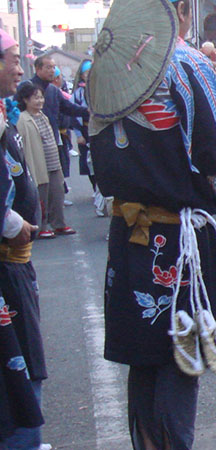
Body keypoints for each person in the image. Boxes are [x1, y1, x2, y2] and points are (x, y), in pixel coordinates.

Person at [88, 0, 216, 447]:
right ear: (179, 10)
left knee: (143, 358)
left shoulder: (104, 69)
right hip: (178, 234)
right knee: (181, 354)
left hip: (128, 231)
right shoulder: (184, 62)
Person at [0, 28, 47, 450]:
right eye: (13, 58)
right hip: (4, 267)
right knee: (14, 359)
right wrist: (12, 223)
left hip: (16, 262)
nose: (20, 67)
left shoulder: (3, 112)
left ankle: (25, 437)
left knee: (25, 354)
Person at [15, 83, 74, 239]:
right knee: (41, 197)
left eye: (41, 97)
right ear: (25, 100)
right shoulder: (22, 119)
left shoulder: (43, 116)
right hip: (38, 163)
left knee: (57, 193)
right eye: (36, 98)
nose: (40, 101)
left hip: (53, 161)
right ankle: (41, 227)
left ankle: (59, 224)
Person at [30, 55, 88, 195]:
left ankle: (57, 199)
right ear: (38, 69)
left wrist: (88, 111)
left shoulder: (54, 90)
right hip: (34, 140)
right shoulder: (28, 88)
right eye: (48, 67)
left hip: (53, 138)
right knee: (38, 178)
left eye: (54, 67)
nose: (52, 70)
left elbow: (68, 108)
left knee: (55, 173)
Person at [70, 59, 106, 217]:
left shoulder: (102, 89)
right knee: (88, 162)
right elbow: (73, 114)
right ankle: (95, 188)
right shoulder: (78, 93)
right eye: (86, 73)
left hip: (100, 129)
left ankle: (101, 190)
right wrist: (78, 135)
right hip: (85, 128)